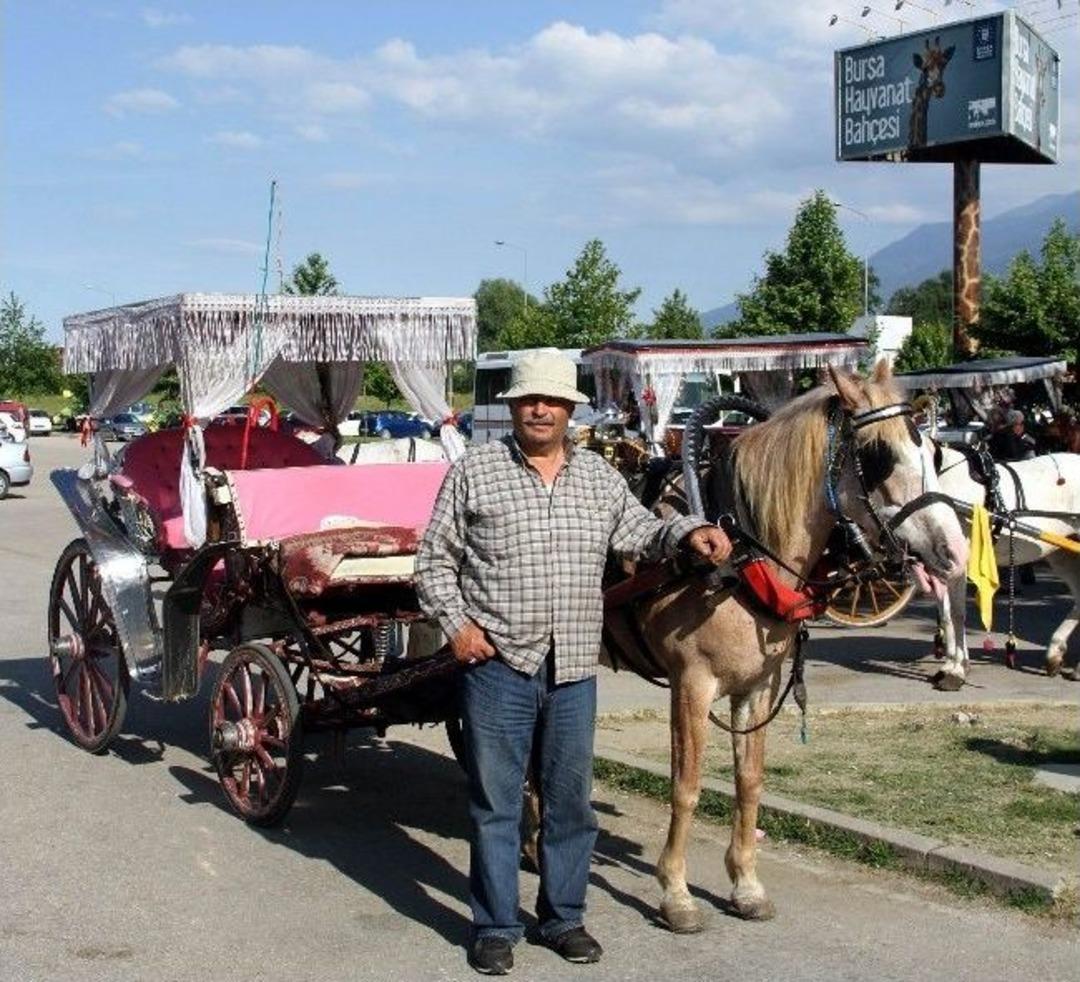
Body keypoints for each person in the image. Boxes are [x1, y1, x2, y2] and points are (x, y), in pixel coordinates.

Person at [415, 350, 731, 976]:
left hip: (573, 669)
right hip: (499, 662)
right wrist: (457, 627)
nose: (540, 409)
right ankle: (495, 925)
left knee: (570, 803)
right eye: (529, 400)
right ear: (512, 409)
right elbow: (433, 563)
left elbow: (642, 531)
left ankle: (562, 918)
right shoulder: (475, 473)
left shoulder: (599, 478)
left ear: (568, 411)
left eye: (552, 401)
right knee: (497, 803)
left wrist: (690, 531)